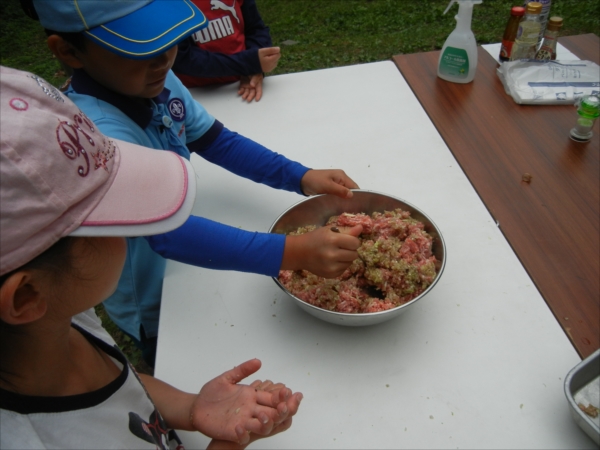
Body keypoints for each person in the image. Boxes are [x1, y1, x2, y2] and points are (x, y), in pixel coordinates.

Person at [26, 0, 363, 368]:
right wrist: (291, 253)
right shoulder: (96, 138)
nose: (163, 60)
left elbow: (216, 140)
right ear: (68, 51)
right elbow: (167, 233)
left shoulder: (156, 78)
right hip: (157, 294)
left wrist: (298, 175)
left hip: (200, 260)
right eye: (138, 48)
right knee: (179, 361)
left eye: (167, 41)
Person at [0, 65, 302, 450]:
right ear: (25, 296)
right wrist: (229, 444)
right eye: (109, 222)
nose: (130, 231)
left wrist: (192, 408)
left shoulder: (61, 316)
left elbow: (121, 381)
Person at [173, 0, 280, 102]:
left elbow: (255, 28)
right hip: (194, 95)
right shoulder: (168, 4)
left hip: (242, 87)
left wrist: (254, 70)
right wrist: (249, 64)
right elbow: (182, 57)